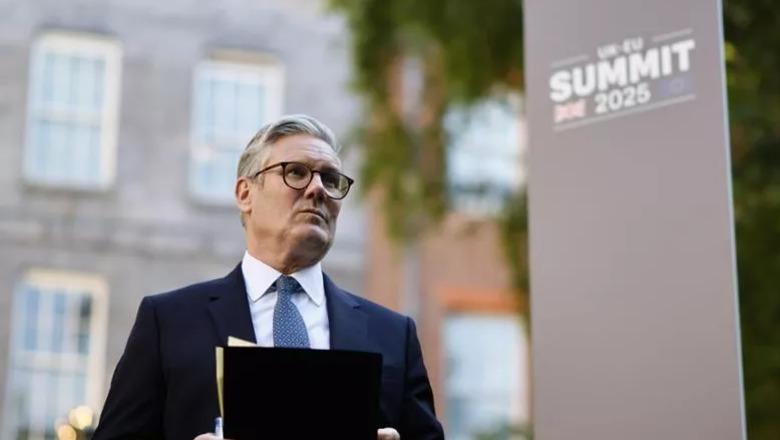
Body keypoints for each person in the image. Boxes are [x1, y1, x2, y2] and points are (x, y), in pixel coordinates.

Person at [92, 114, 444, 440]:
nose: (318, 189)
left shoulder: (392, 335)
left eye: (330, 179)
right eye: (296, 172)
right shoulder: (169, 322)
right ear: (245, 194)